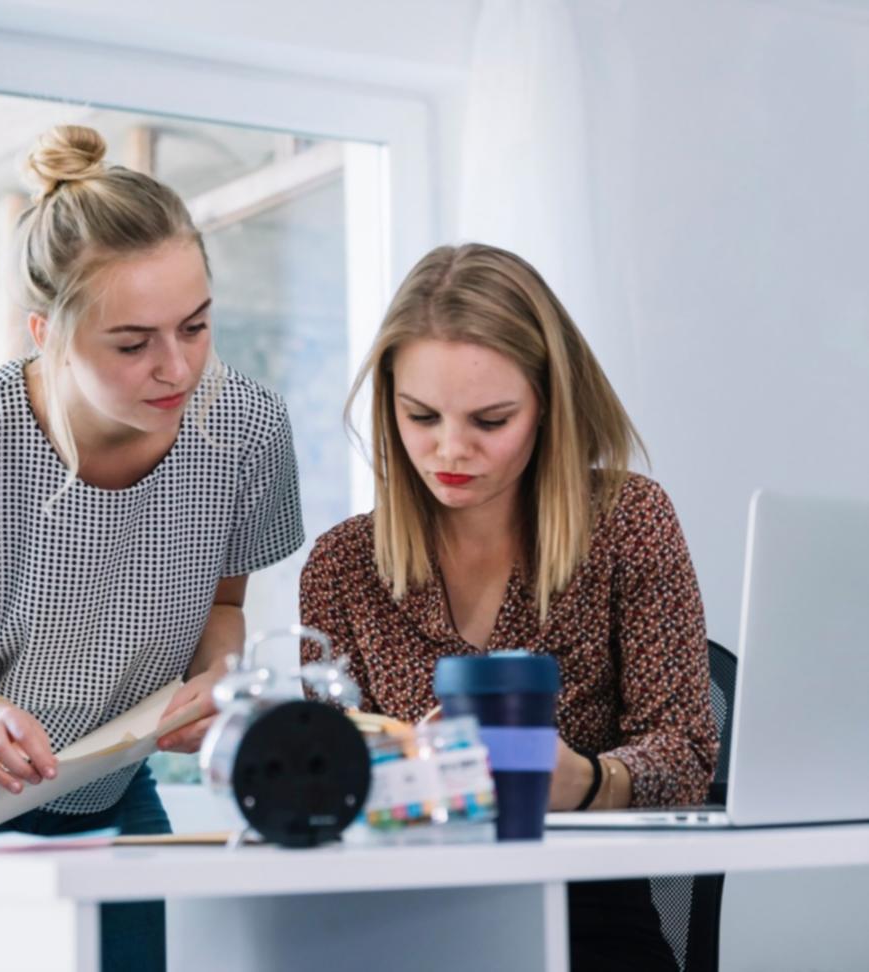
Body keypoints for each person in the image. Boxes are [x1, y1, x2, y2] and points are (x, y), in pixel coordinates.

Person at [0, 125, 304, 972]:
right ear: (43, 332)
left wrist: (216, 681)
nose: (177, 368)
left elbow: (224, 605)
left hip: (103, 763)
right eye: (132, 344)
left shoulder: (247, 431)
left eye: (196, 326)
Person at [299, 243, 716, 971]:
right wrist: (403, 767)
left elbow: (685, 752)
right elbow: (317, 783)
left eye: (491, 420)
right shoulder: (342, 567)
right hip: (395, 919)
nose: (450, 449)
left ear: (549, 405)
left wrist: (584, 781)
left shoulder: (628, 520)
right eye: (420, 415)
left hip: (587, 910)